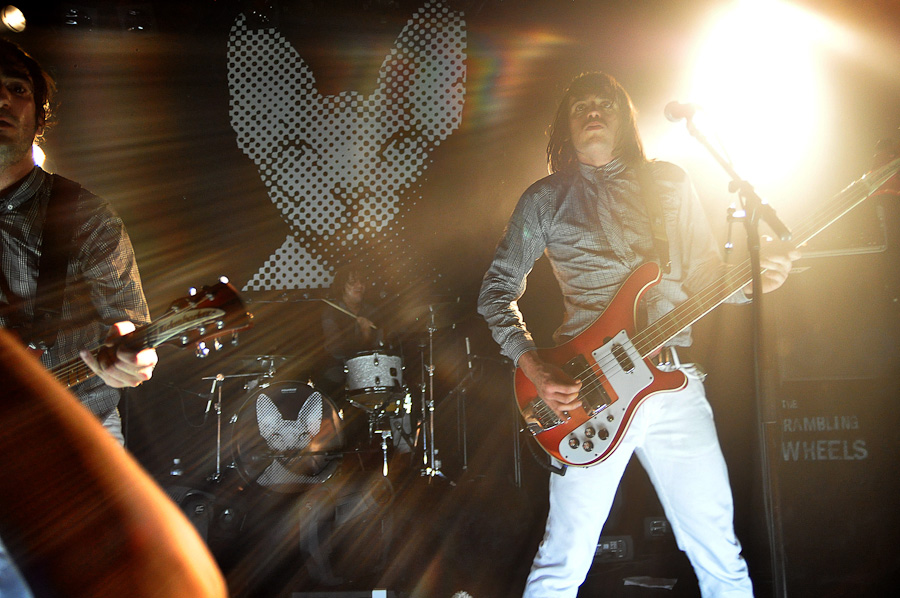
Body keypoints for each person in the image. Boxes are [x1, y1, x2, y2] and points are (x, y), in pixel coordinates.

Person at [477, 71, 799, 597]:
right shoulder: (544, 199)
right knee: (564, 561)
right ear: (564, 126)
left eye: (604, 104)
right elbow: (496, 290)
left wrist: (752, 282)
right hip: (589, 393)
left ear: (625, 119)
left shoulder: (669, 183)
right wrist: (533, 365)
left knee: (720, 551)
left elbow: (702, 274)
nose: (593, 113)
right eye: (580, 106)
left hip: (674, 382)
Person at [0, 39, 158, 596]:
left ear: (40, 116)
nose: (2, 100)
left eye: (17, 89)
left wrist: (131, 356)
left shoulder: (83, 216)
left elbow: (131, 330)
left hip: (73, 439)